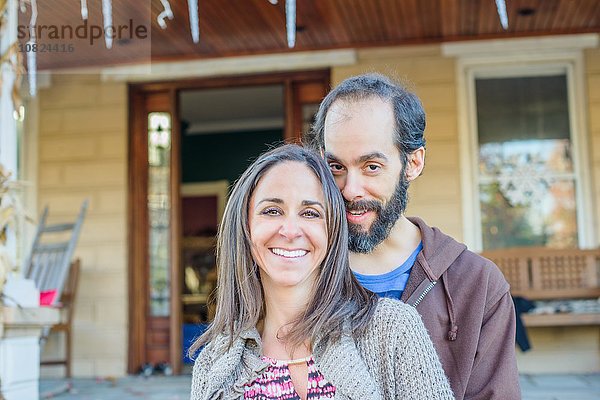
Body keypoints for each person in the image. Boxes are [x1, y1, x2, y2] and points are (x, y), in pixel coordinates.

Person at [307, 73, 520, 400]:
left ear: (413, 162)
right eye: (336, 167)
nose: (350, 190)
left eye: (371, 167)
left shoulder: (477, 285)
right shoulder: (300, 272)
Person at [189, 144, 454, 400]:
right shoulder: (214, 363)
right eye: (272, 211)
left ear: (332, 230)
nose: (290, 231)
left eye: (310, 213)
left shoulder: (393, 329)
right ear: (245, 228)